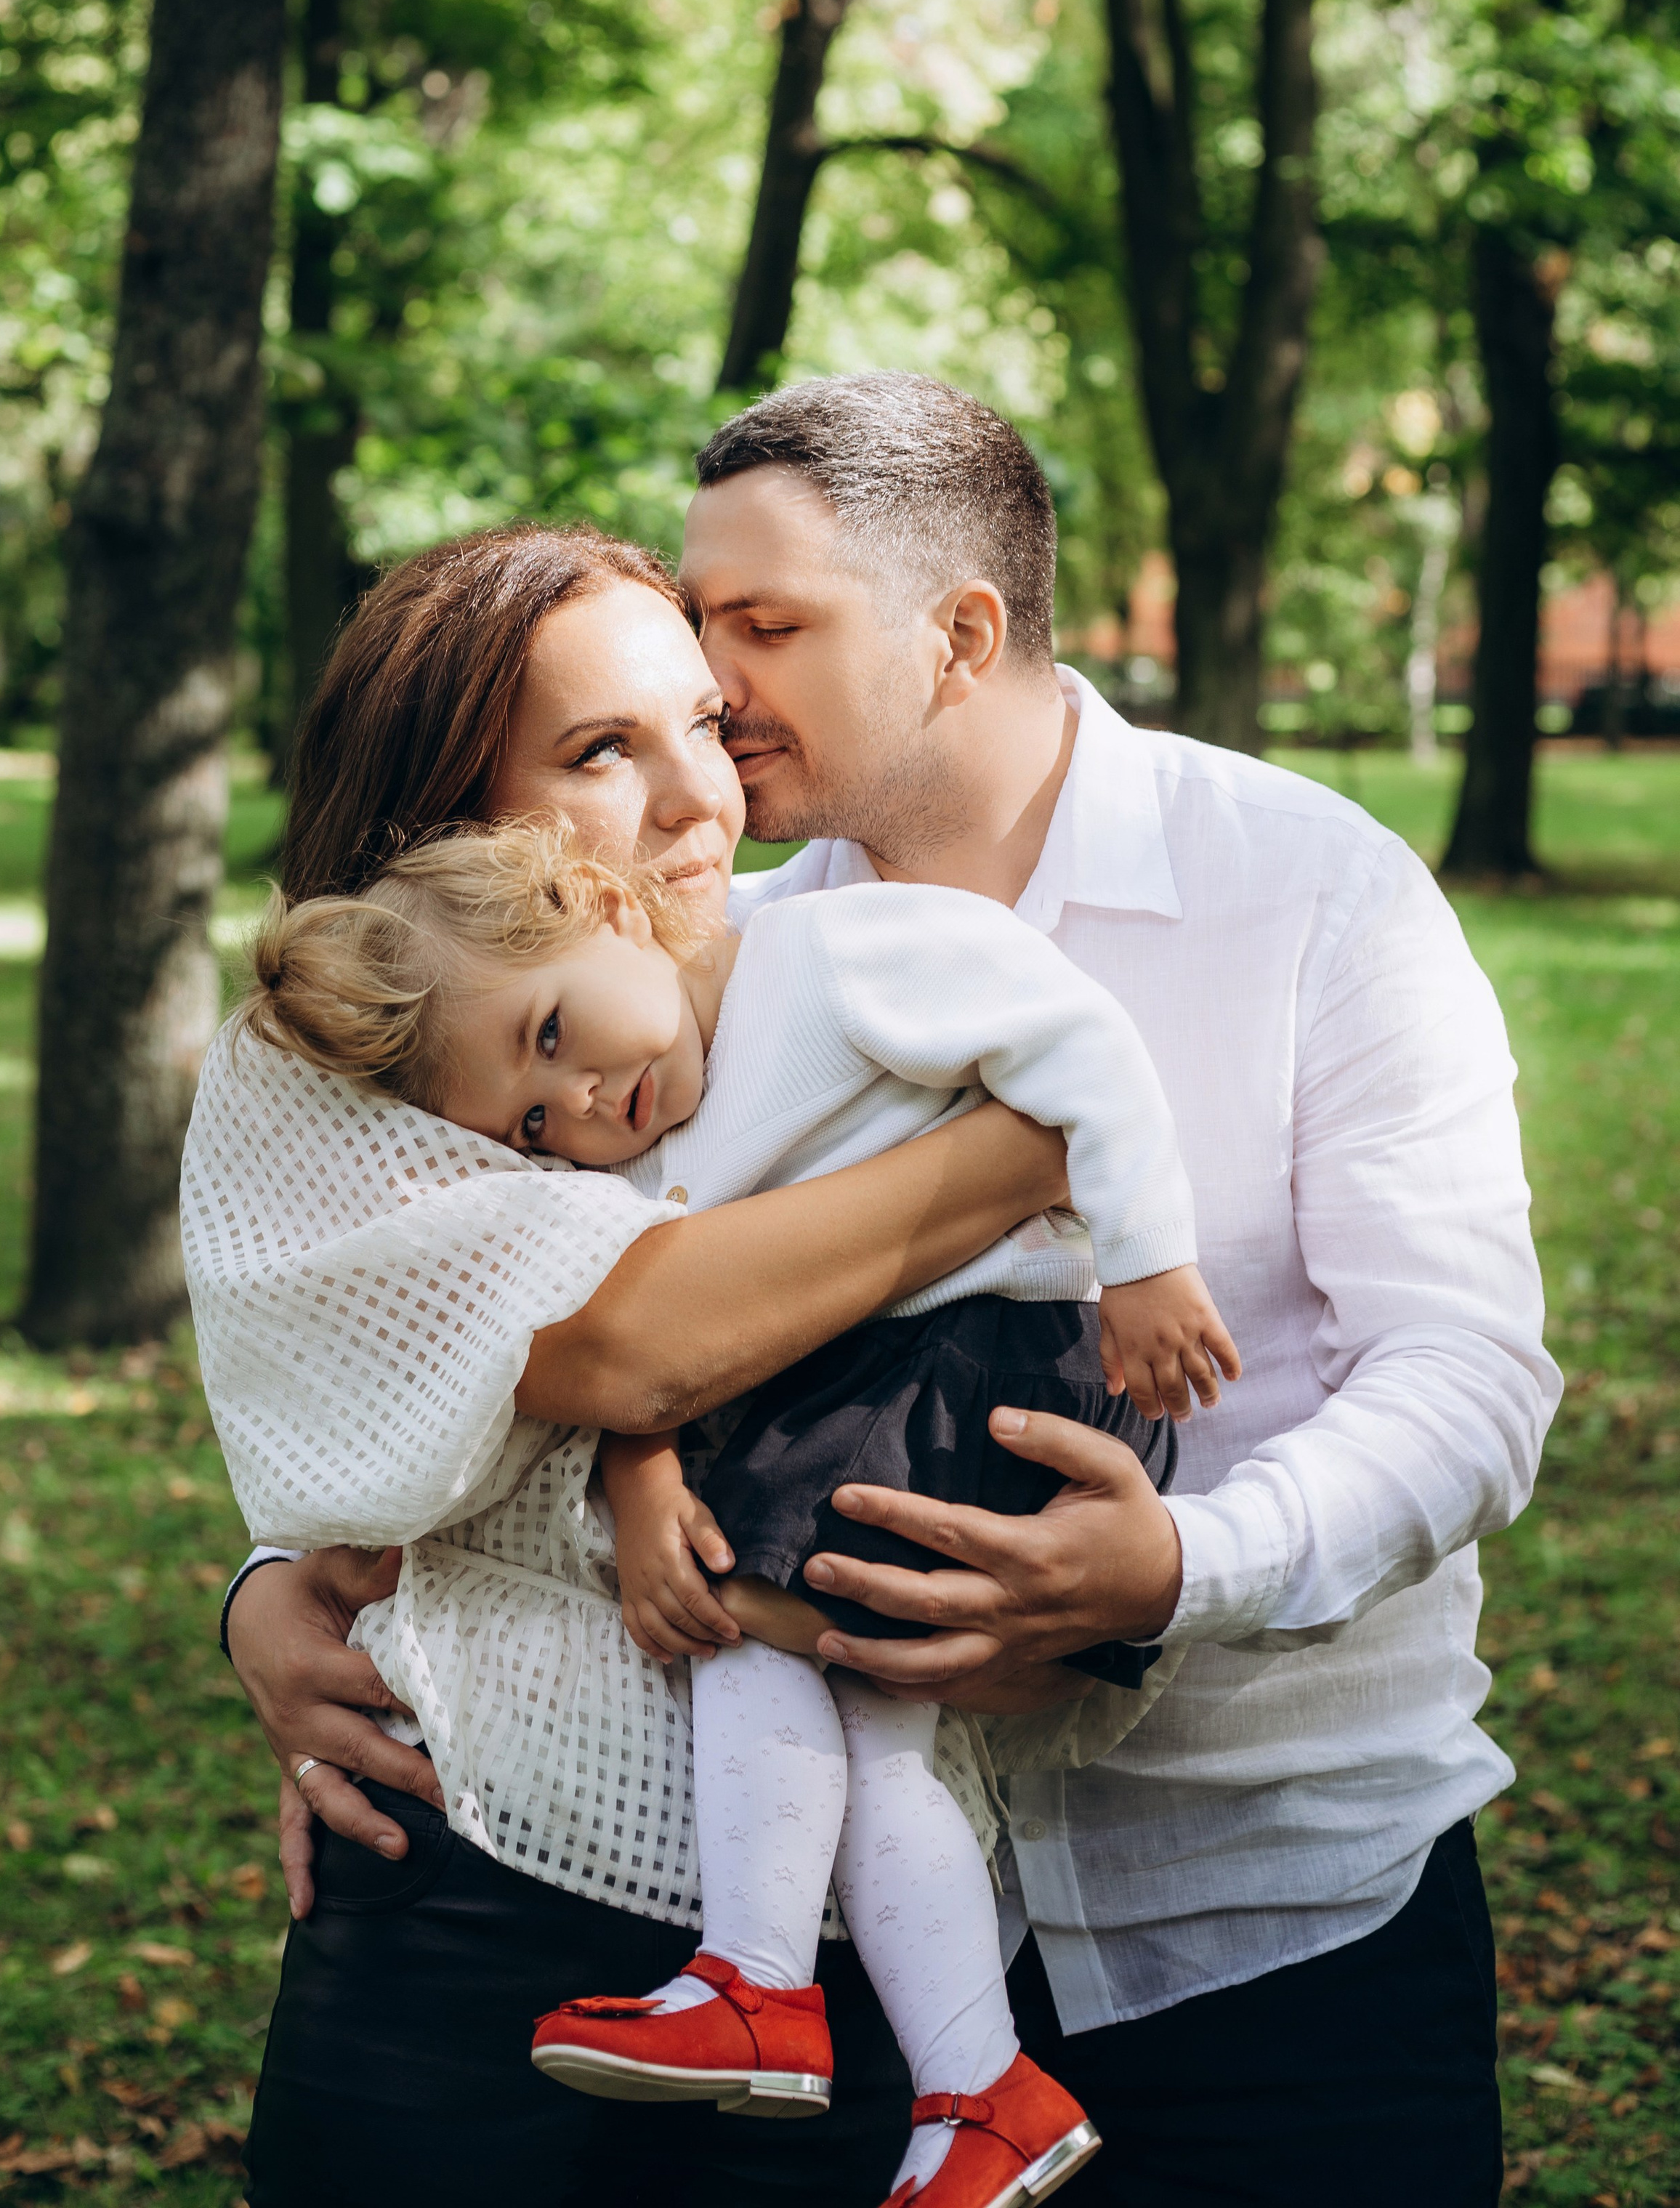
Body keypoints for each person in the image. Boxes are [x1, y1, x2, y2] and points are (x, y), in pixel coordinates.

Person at [233, 374, 1559, 2208]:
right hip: (893, 1969)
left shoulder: (1313, 892)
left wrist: (1176, 1571)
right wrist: (277, 1591)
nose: (717, 695)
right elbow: (539, 1299)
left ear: (959, 636)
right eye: (699, 627)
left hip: (1270, 1910)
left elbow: (1467, 1377)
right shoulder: (713, 951)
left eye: (763, 629)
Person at [190, 519, 1083, 2208]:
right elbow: (625, 1340)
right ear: (444, 817)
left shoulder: (804, 978)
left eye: (702, 725)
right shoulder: (321, 1056)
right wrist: (1019, 1152)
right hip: (483, 1874)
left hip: (850, 1935)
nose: (698, 799)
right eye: (599, 750)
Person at [232, 811, 1240, 2205]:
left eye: (552, 1034)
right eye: (533, 1120)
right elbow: (653, 1333)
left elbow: (1082, 1044)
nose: (584, 1102)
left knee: (738, 1619)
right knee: (873, 1741)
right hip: (914, 1378)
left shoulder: (834, 956)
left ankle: (760, 1987)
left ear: (602, 904)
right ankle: (979, 2091)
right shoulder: (651, 1122)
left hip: (989, 1364)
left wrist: (1149, 1263)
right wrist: (638, 1467)